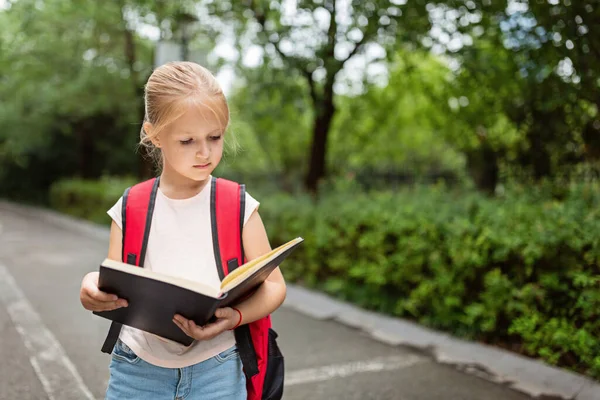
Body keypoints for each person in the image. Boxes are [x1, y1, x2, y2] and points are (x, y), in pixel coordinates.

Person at [79, 61, 287, 400]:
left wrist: (234, 316)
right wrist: (91, 288)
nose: (205, 152)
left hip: (218, 367)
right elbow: (114, 287)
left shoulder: (238, 205)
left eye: (215, 137)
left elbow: (275, 286)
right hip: (137, 368)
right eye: (188, 140)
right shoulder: (130, 207)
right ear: (154, 134)